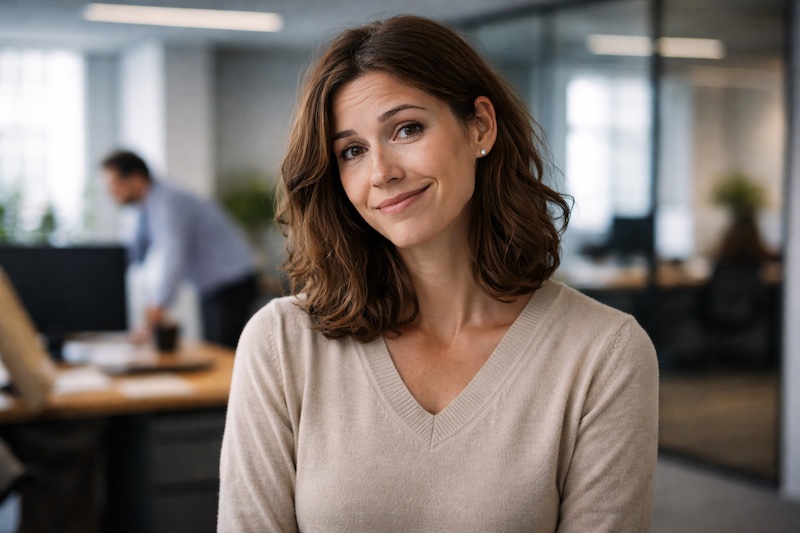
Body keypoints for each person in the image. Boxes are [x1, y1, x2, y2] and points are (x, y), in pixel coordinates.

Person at [218, 15, 658, 533]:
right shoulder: (281, 344)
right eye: (352, 151)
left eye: (406, 129)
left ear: (480, 128)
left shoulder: (603, 353)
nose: (381, 172)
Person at [101, 150, 259, 349]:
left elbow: (173, 253)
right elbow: (137, 252)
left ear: (137, 179)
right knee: (214, 348)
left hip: (231, 280)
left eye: (114, 185)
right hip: (214, 284)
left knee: (223, 353)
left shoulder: (168, 202)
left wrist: (158, 304)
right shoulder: (147, 208)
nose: (110, 193)